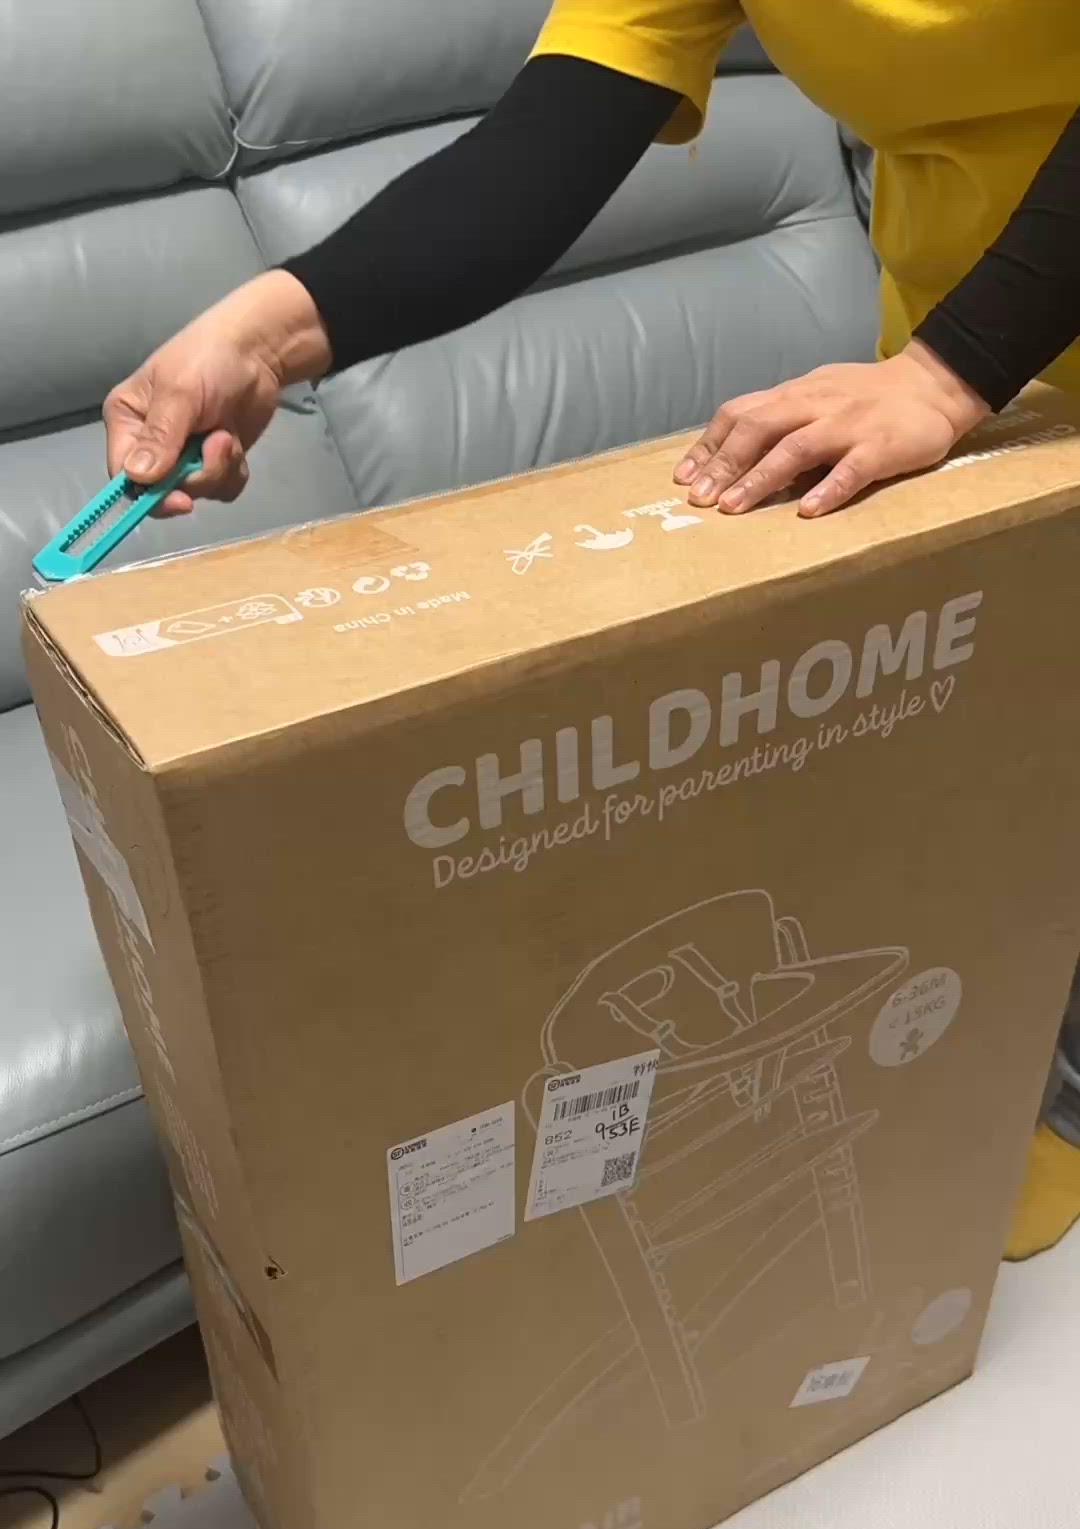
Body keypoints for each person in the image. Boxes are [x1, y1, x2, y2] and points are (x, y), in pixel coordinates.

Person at [104, 1, 1080, 1257]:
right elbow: (553, 142)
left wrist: (946, 377)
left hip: (969, 365)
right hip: (988, 369)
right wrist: (264, 332)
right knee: (1003, 766)